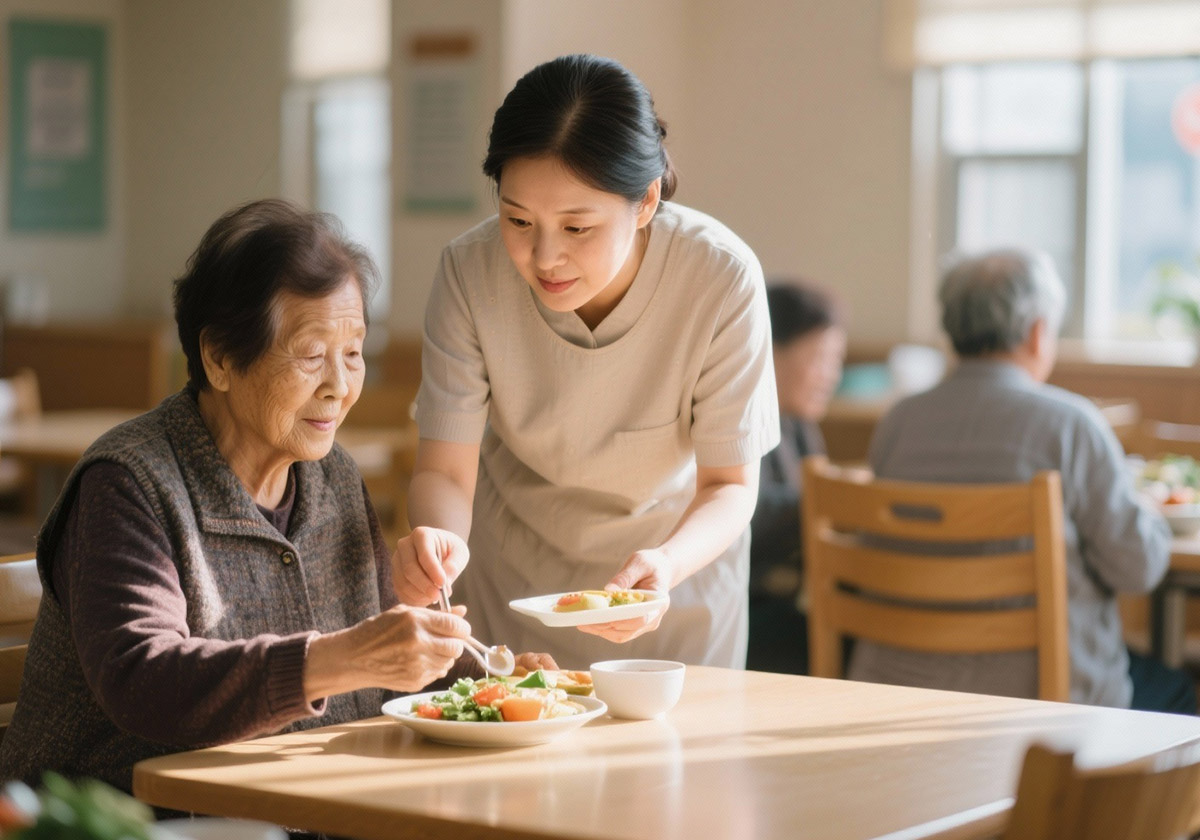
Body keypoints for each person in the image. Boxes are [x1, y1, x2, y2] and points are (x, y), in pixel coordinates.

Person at [0, 199, 554, 793]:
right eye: (312, 356)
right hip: (133, 819)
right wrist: (342, 658)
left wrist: (489, 680)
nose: (339, 387)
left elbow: (386, 656)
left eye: (353, 354)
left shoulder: (332, 476)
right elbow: (144, 681)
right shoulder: (129, 485)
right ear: (219, 358)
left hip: (307, 807)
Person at [396, 54, 780, 669]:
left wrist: (667, 564)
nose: (544, 256)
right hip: (513, 586)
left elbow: (728, 485)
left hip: (673, 585)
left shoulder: (720, 278)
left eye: (577, 228)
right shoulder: (470, 272)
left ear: (646, 201)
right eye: (518, 219)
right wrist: (439, 543)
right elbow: (444, 471)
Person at [848, 247, 1194, 713]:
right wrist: (1147, 509)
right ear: (1036, 332)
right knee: (1177, 689)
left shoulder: (899, 422)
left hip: (899, 689)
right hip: (1037, 699)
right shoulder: (1071, 426)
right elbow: (1138, 568)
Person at [747, 280, 846, 674]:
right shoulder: (744, 423)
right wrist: (835, 497)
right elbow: (754, 513)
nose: (831, 375)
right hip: (751, 608)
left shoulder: (800, 424)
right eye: (820, 358)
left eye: (837, 361)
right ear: (769, 351)